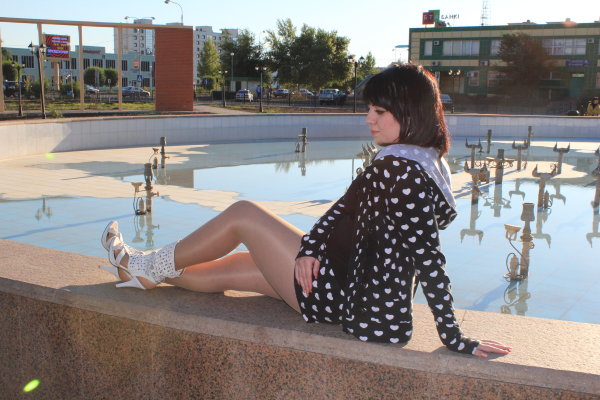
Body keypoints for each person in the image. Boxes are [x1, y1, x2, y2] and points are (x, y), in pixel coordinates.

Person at [100, 64, 510, 358]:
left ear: (410, 113)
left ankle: (145, 265)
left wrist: (453, 338)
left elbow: (429, 257)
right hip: (343, 283)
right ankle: (139, 271)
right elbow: (341, 211)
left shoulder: (402, 171)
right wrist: (310, 248)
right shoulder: (419, 159)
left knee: (244, 214)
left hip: (346, 299)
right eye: (370, 109)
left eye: (379, 112)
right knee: (234, 268)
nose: (368, 119)